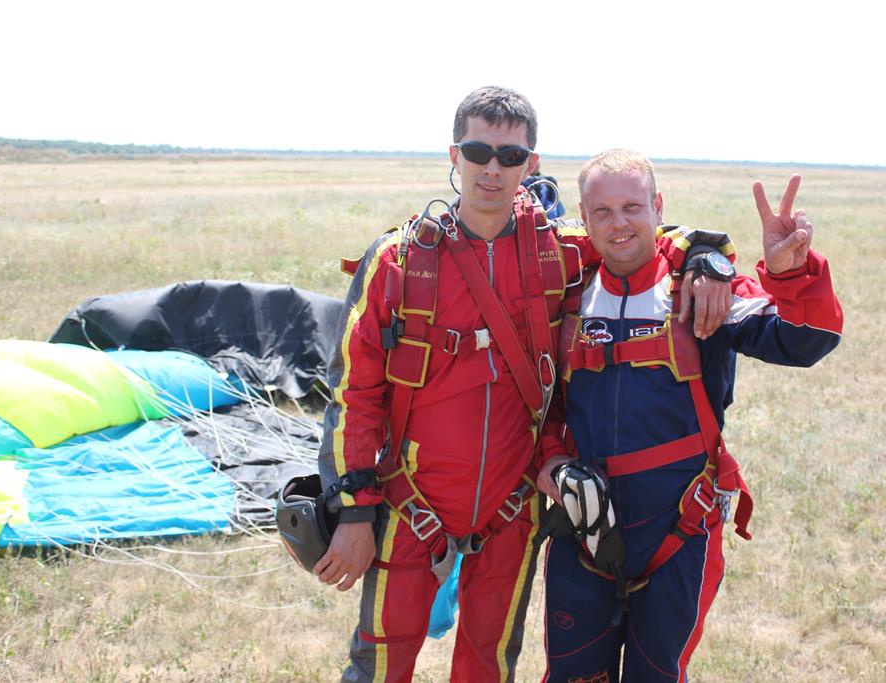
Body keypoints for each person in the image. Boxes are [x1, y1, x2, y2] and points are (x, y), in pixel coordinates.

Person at [314, 89, 733, 683]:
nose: (492, 168)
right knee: (378, 667)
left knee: (487, 666)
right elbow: (352, 394)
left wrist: (705, 255)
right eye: (477, 151)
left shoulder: (558, 252)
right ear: (453, 155)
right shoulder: (397, 262)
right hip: (410, 504)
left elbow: (634, 235)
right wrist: (355, 513)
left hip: (510, 510)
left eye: (510, 156)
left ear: (530, 164)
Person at [536, 149, 843, 682]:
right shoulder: (567, 296)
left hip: (678, 531)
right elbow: (540, 407)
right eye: (602, 211)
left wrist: (791, 275)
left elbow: (806, 342)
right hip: (581, 530)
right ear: (583, 218)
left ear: (658, 207)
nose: (619, 223)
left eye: (633, 207)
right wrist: (552, 463)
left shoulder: (701, 289)